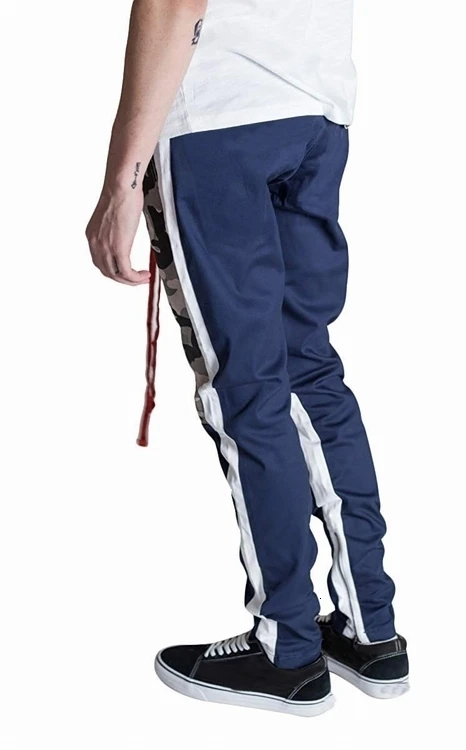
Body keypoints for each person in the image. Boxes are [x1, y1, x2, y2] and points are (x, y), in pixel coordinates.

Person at [86, 0, 409, 717]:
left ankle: (286, 648)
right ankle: (371, 631)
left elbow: (174, 3)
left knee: (248, 388)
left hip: (217, 123)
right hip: (317, 113)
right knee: (309, 374)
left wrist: (120, 181)